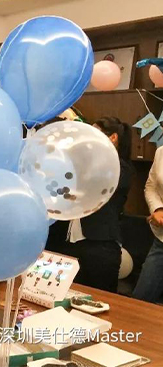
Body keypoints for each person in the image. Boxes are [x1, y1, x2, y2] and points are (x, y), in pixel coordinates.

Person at [54, 117, 134, 292]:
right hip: (71, 241)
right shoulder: (81, 164)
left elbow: (92, 186)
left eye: (92, 133)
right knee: (68, 294)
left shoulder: (120, 168)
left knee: (100, 298)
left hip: (101, 244)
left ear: (113, 137)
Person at [133, 144, 163, 303]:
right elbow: (151, 187)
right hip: (161, 240)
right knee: (140, 301)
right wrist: (158, 209)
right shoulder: (161, 152)